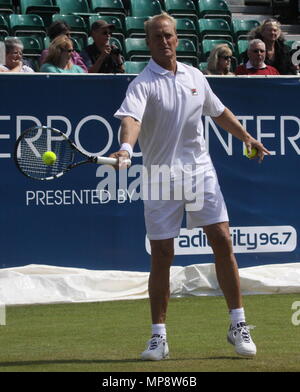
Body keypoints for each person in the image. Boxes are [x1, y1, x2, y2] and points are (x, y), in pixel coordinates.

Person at [111, 13, 270, 361]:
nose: (164, 41)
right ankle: (158, 338)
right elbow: (131, 119)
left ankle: (238, 324)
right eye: (156, 37)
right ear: (149, 42)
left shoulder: (196, 76)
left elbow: (218, 111)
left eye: (168, 35)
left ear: (177, 39)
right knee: (162, 256)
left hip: (199, 173)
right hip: (160, 179)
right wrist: (125, 148)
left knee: (223, 240)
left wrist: (247, 137)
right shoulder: (142, 84)